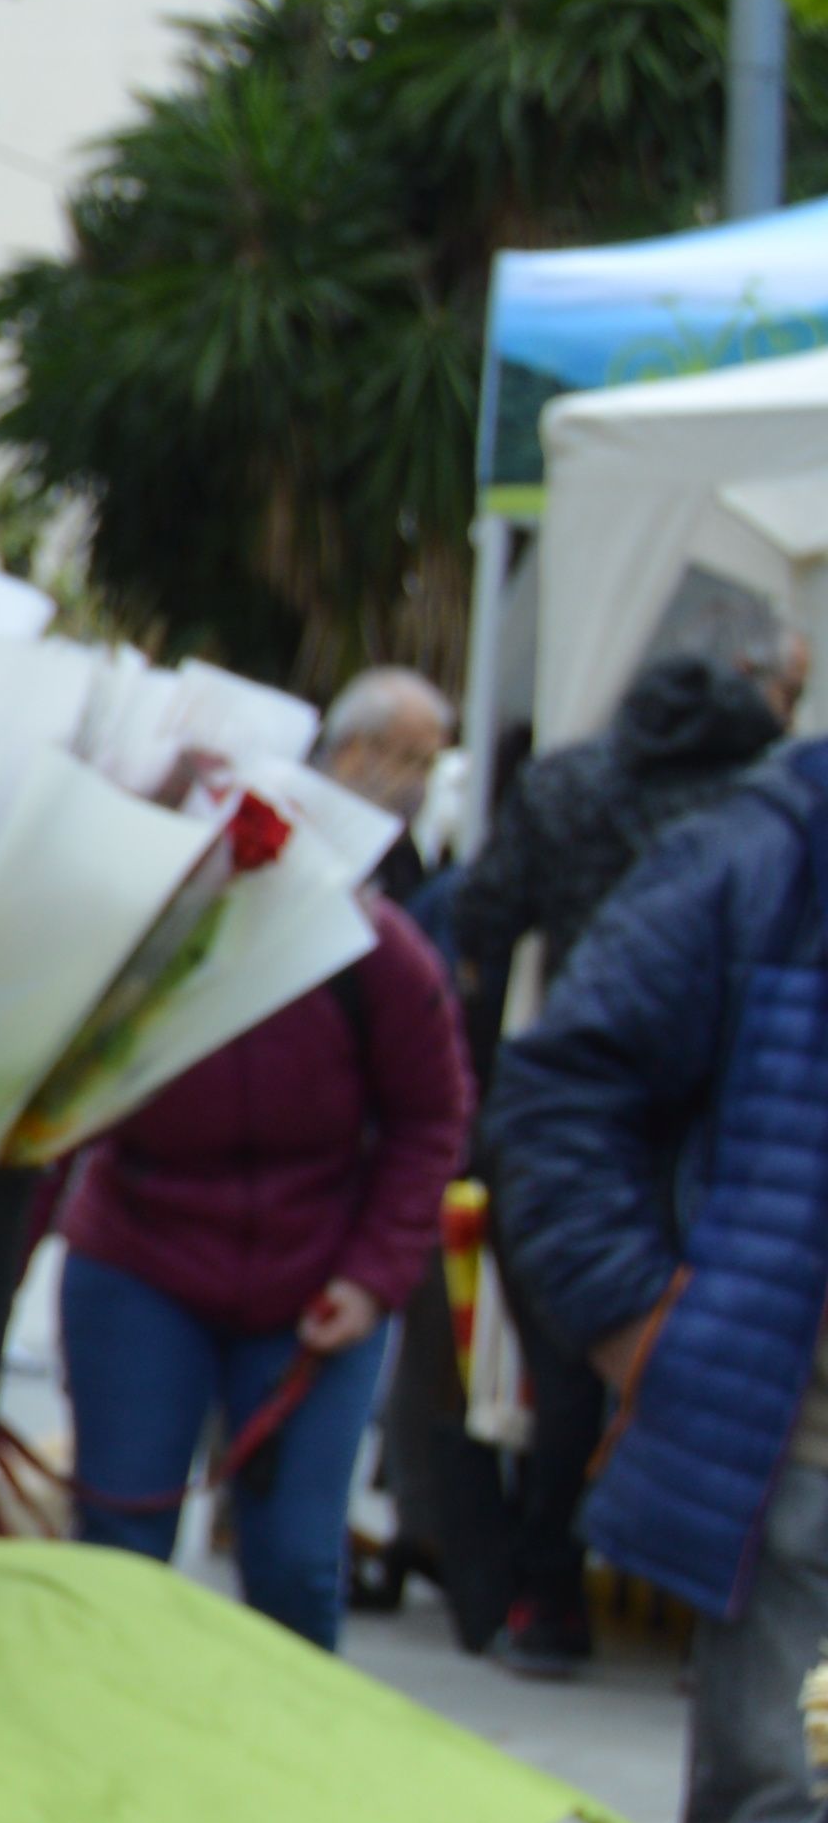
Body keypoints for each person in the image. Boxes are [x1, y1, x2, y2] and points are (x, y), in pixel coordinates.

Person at [486, 724, 828, 1823]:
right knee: (779, 1787)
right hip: (802, 1436)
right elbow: (558, 1088)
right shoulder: (758, 859)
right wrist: (638, 1324)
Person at [453, 627, 805, 1671]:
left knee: (565, 1387)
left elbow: (480, 917)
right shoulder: (760, 821)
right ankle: (641, 1592)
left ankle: (550, 1600)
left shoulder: (575, 786)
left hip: (614, 1120)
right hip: (705, 1138)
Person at [52, 883, 468, 1651]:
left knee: (298, 1563)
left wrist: (372, 1276)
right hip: (140, 1258)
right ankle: (101, 1740)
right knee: (118, 1547)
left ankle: (291, 1757)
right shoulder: (131, 936)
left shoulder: (375, 949)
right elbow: (45, 1116)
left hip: (318, 1270)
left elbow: (433, 1115)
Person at [316, 663, 452, 904]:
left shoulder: (401, 852)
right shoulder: (296, 829)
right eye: (408, 759)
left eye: (428, 765)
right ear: (353, 751)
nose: (419, 780)